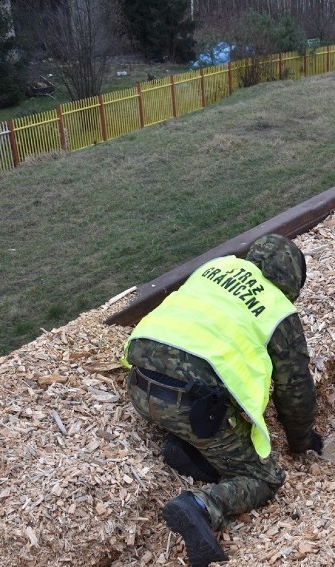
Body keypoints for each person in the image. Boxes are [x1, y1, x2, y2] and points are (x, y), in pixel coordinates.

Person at [121, 233, 322, 567]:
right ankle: (200, 506)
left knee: (209, 414)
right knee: (265, 477)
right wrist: (302, 440)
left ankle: (187, 451)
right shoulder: (277, 312)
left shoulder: (216, 267)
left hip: (139, 385)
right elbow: (295, 390)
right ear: (292, 281)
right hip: (190, 406)